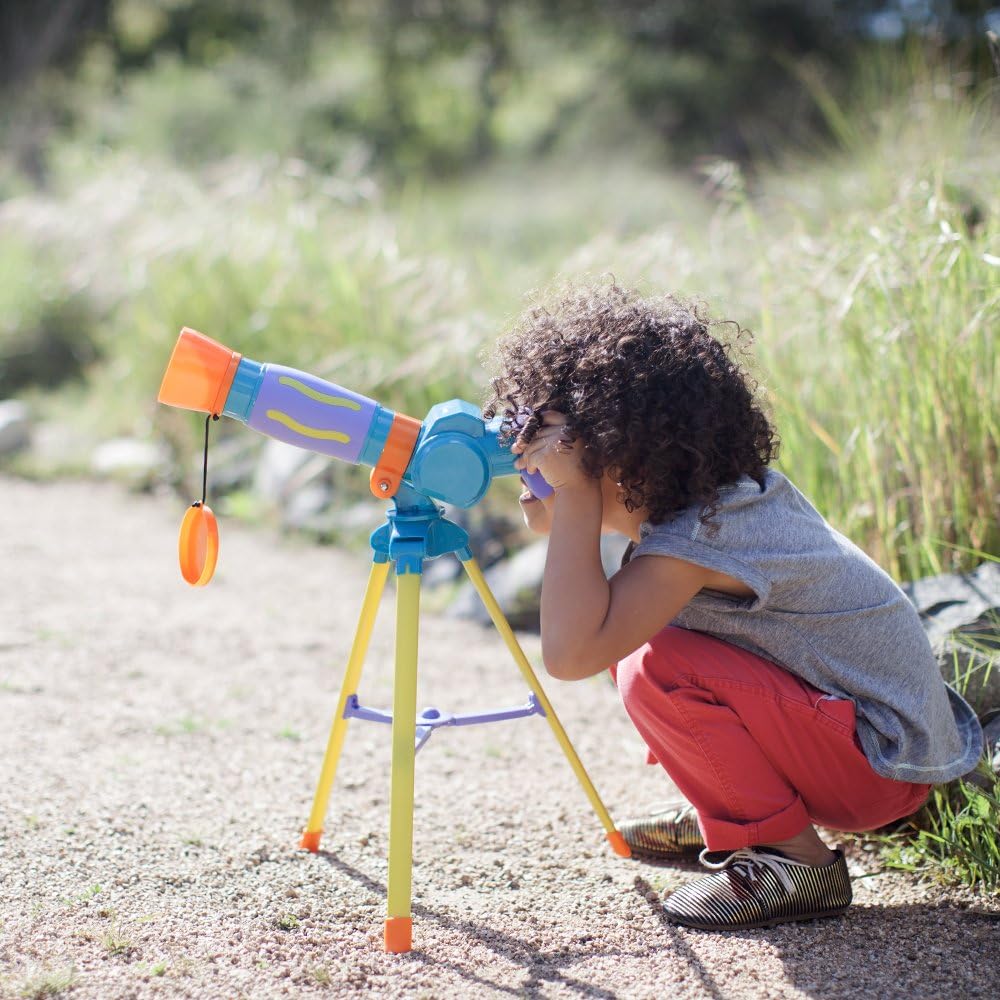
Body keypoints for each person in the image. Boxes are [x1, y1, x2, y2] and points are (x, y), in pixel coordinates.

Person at [485, 281, 983, 931]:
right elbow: (589, 629)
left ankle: (792, 860)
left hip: (879, 762)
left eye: (551, 449)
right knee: (630, 636)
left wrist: (574, 497)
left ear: (624, 456)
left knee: (651, 660)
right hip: (857, 739)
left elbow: (570, 653)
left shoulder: (707, 535)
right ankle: (741, 813)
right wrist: (567, 493)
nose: (530, 463)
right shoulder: (712, 509)